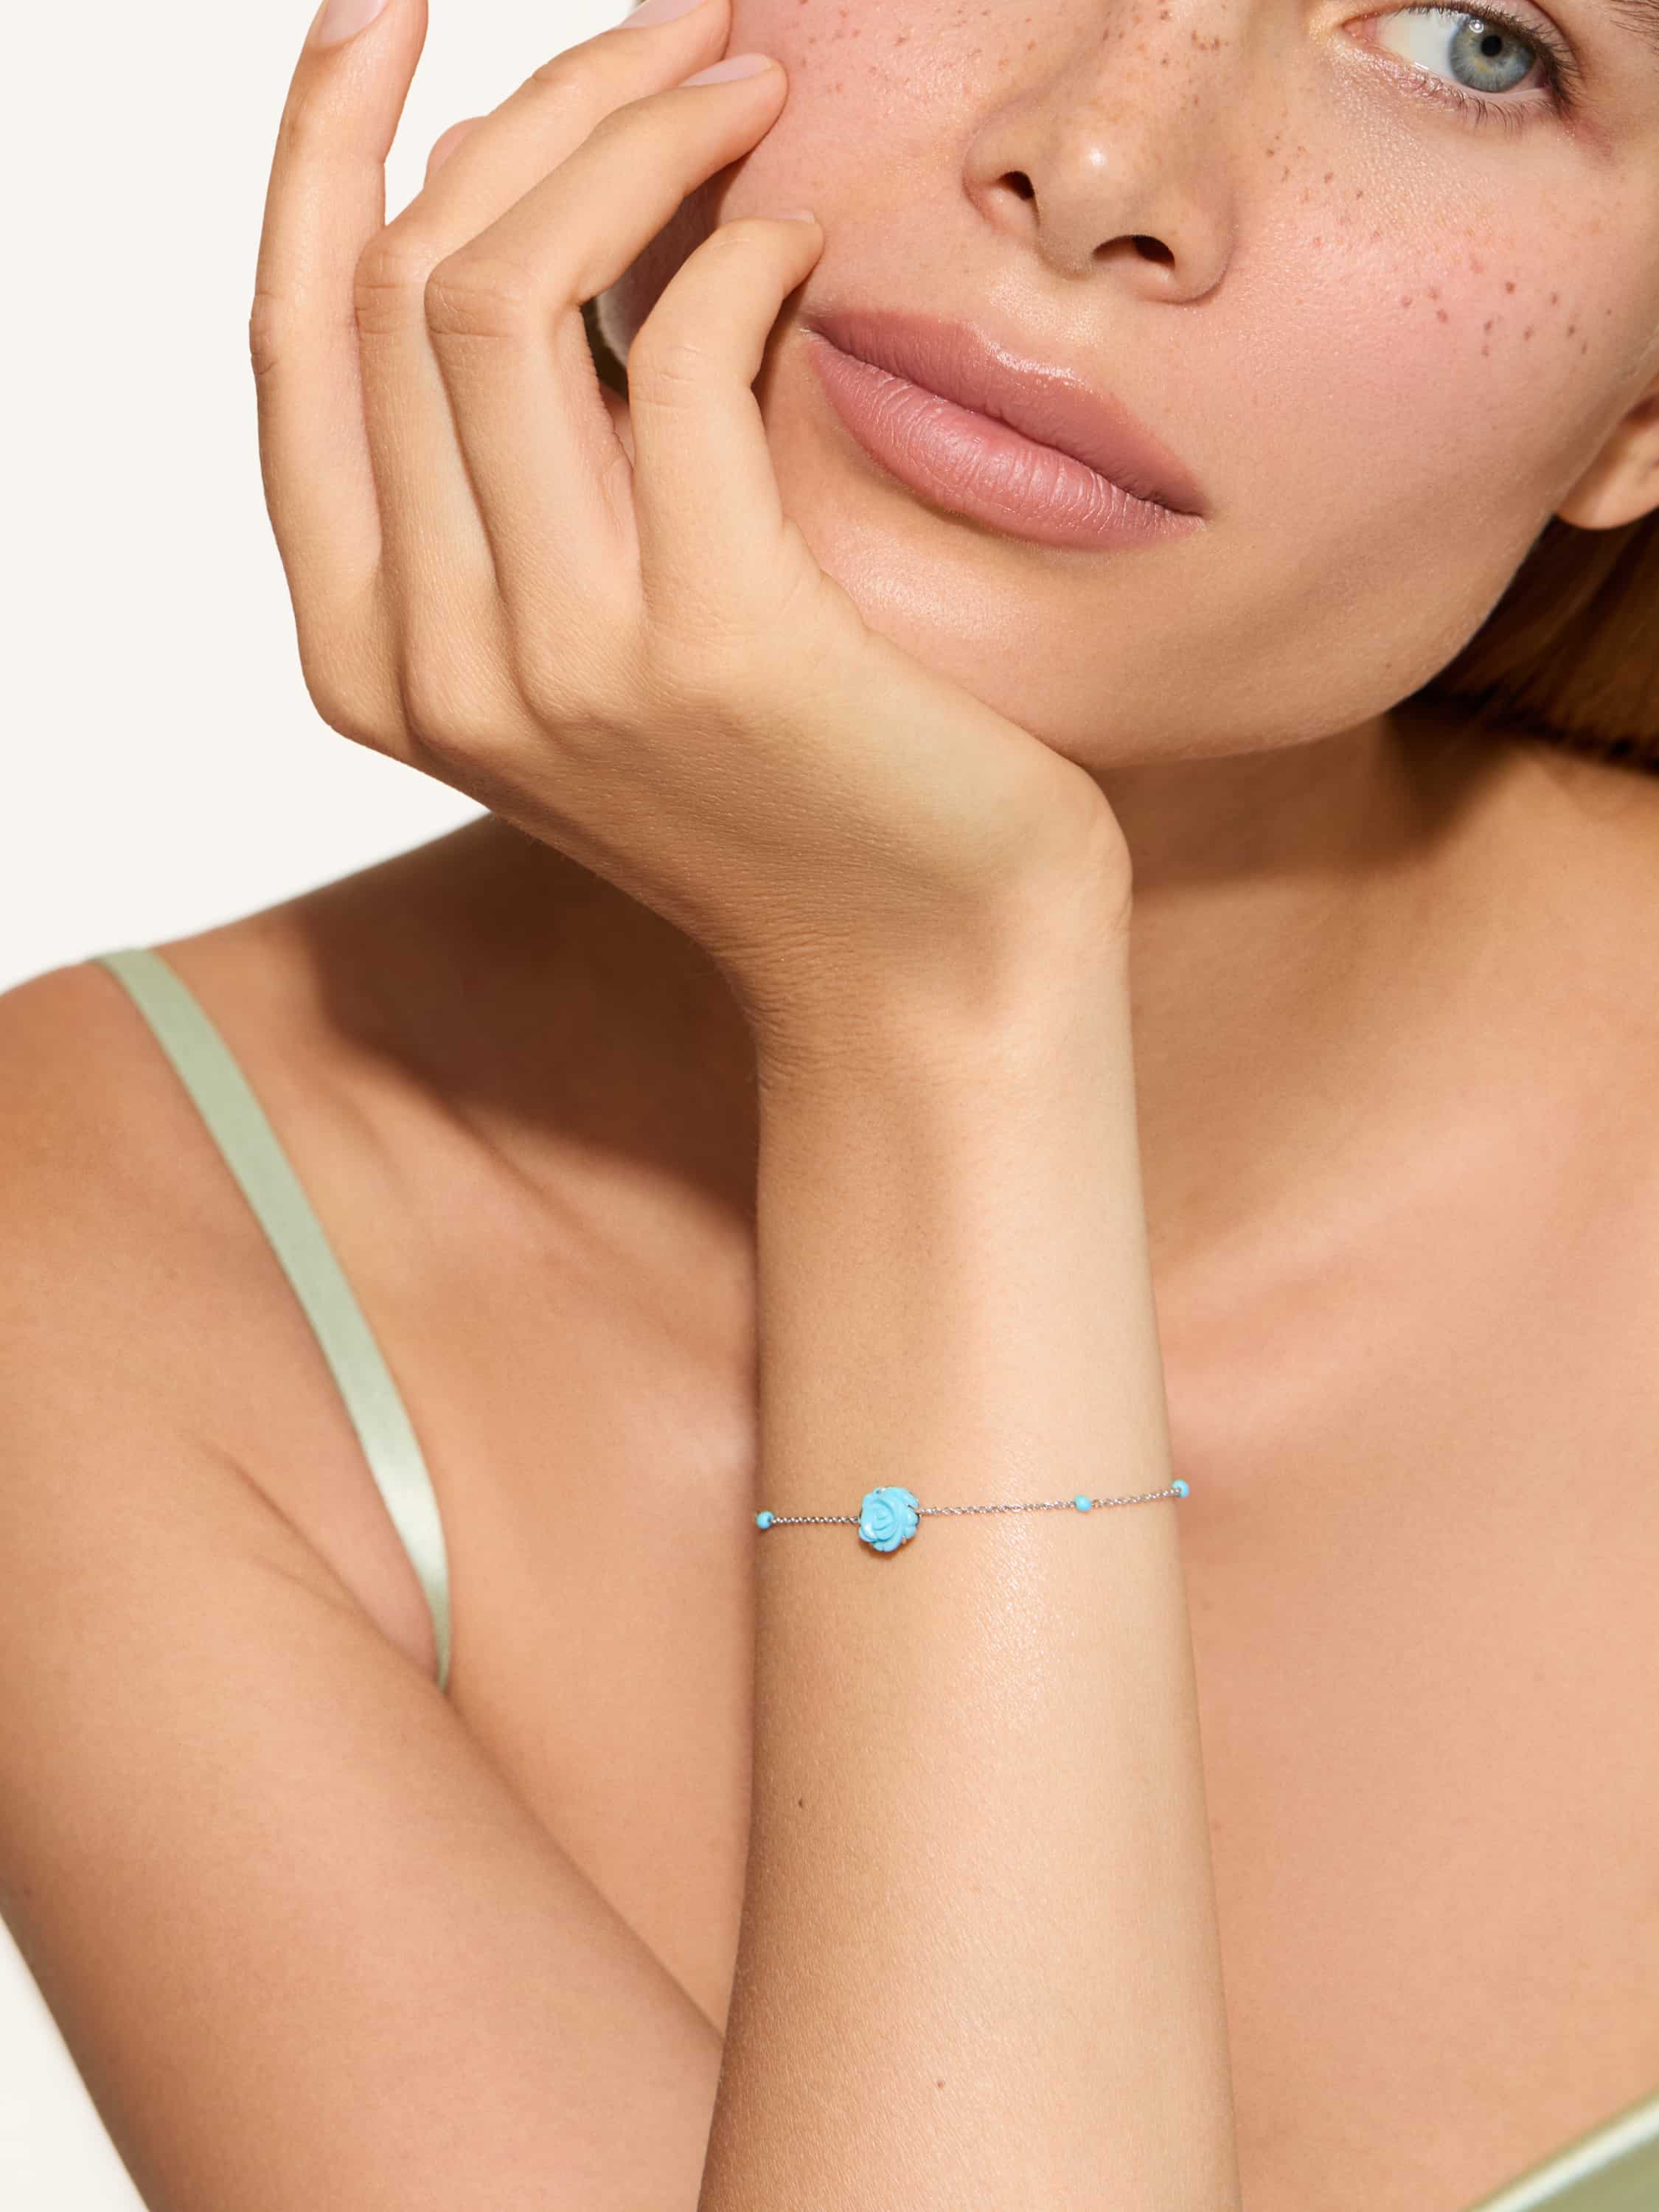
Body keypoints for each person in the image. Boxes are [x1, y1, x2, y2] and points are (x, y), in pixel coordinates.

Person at [1, 0, 1655, 2205]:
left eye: (1478, 43)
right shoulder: (93, 1253)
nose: (1100, 169)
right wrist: (933, 1025)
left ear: (1642, 405)